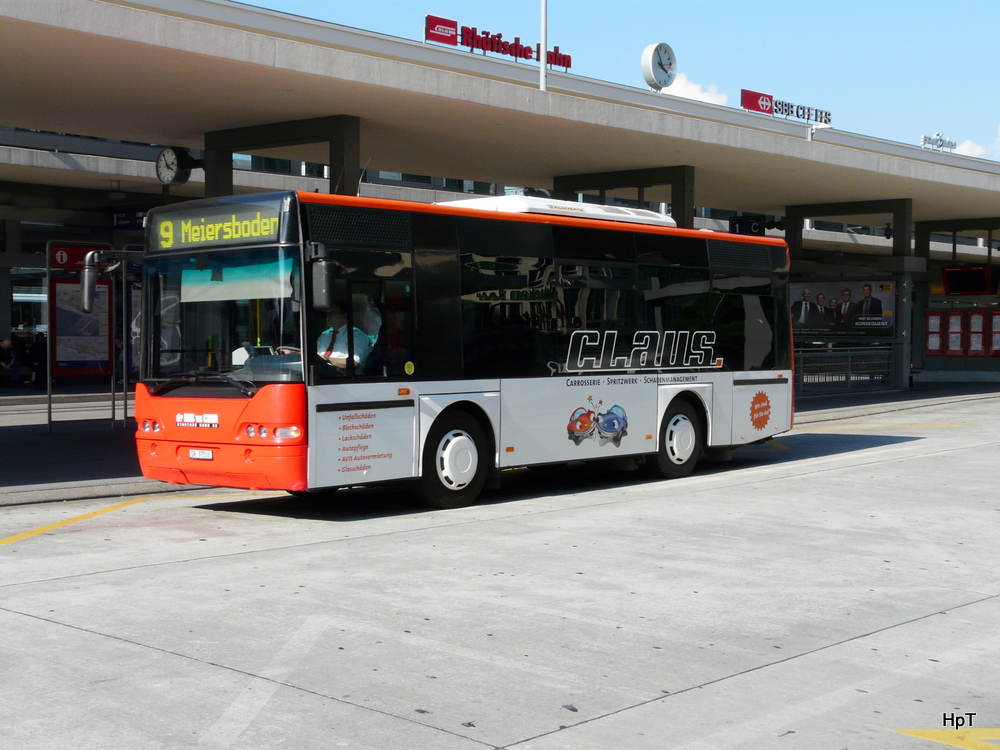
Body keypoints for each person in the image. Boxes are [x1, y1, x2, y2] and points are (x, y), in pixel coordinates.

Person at [316, 303, 371, 372]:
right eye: (327, 314)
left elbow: (355, 362)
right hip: (322, 374)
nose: (328, 317)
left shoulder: (356, 335)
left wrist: (327, 359)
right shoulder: (324, 335)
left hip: (344, 377)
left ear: (345, 315)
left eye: (333, 313)